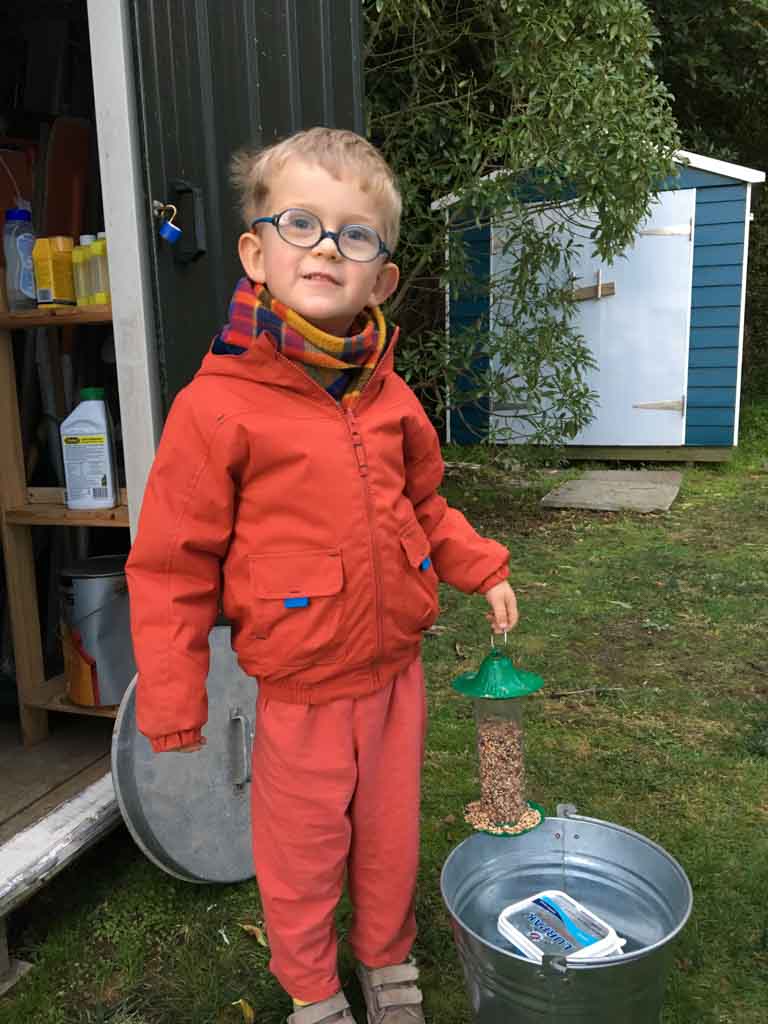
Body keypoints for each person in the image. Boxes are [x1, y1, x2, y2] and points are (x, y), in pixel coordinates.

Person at [126, 127, 518, 1024]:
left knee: (387, 840)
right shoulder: (215, 406)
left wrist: (481, 566)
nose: (327, 248)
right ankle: (311, 987)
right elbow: (172, 564)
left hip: (395, 679)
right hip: (300, 692)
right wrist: (175, 697)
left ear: (381, 279)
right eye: (301, 224)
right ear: (255, 254)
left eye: (355, 234)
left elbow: (425, 505)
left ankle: (385, 958)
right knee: (302, 850)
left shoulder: (391, 397)